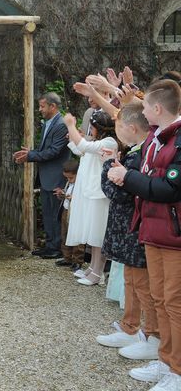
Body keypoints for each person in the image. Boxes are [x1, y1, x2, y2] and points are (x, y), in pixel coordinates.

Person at [108, 79, 181, 390]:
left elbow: (170, 188)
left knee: (174, 302)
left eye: (145, 104)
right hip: (154, 229)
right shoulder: (157, 137)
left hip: (173, 232)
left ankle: (177, 371)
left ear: (157, 108)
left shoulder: (177, 140)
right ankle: (166, 360)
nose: (140, 109)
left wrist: (128, 178)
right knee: (161, 300)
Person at [95, 102, 159, 361]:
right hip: (130, 226)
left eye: (119, 126)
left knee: (143, 285)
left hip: (134, 225)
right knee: (132, 280)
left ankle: (152, 334)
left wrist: (108, 166)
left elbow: (117, 193)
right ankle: (131, 326)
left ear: (131, 128)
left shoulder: (140, 154)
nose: (117, 131)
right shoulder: (139, 150)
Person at [13, 92, 71, 258]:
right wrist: (30, 153)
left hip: (56, 177)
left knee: (55, 214)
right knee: (47, 213)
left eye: (42, 106)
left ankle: (57, 248)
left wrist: (30, 156)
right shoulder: (47, 124)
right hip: (46, 177)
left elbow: (53, 152)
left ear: (53, 106)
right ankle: (50, 245)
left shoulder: (61, 125)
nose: (40, 109)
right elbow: (45, 150)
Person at [64, 109, 117, 285]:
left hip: (100, 194)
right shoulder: (99, 141)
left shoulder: (110, 142)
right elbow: (82, 150)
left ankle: (98, 273)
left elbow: (85, 147)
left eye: (91, 127)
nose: (89, 130)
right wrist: (72, 138)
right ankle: (93, 268)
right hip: (92, 192)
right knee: (94, 235)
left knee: (99, 235)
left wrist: (71, 125)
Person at [53, 160, 85, 271]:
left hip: (76, 213)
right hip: (66, 210)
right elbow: (67, 194)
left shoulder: (82, 184)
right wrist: (62, 194)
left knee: (77, 237)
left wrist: (73, 198)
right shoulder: (70, 183)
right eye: (66, 178)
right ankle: (67, 257)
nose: (69, 180)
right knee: (64, 235)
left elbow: (84, 199)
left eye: (71, 178)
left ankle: (78, 260)